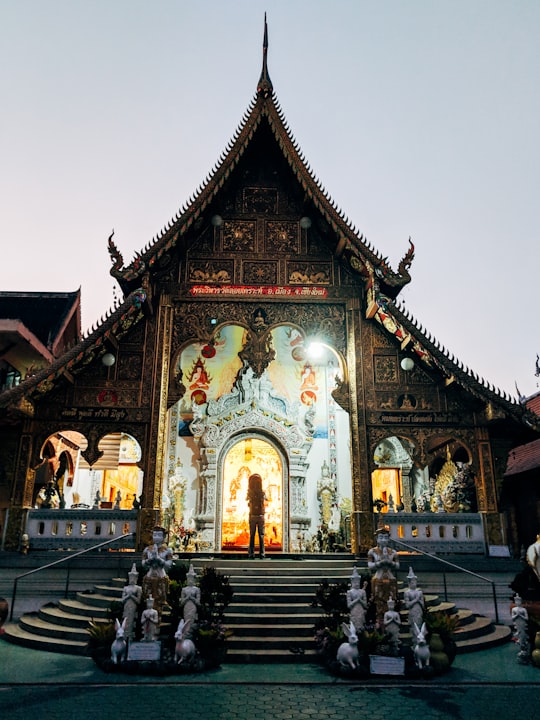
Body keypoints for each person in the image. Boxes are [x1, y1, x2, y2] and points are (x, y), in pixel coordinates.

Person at [367, 524, 400, 625]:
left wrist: (390, 563)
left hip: (390, 578)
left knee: (391, 599)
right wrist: (380, 563)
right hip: (378, 577)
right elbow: (370, 565)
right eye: (381, 537)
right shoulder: (372, 552)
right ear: (377, 539)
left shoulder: (393, 552)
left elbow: (397, 566)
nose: (383, 539)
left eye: (386, 537)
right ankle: (379, 619)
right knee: (378, 599)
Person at [142, 526, 173, 622]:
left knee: (159, 602)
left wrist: (159, 560)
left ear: (163, 537)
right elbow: (143, 564)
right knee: (148, 601)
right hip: (150, 576)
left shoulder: (168, 550)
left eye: (159, 535)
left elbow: (169, 565)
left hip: (161, 577)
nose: (156, 537)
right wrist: (150, 560)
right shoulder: (147, 550)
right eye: (155, 535)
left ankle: (157, 623)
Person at [247, 473, 266, 559]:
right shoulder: (262, 493)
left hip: (253, 515)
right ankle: (262, 553)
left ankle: (251, 553)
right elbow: (267, 499)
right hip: (261, 515)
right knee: (261, 535)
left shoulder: (250, 493)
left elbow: (247, 500)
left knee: (252, 535)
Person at [121, 563, 142, 642]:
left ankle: (130, 637)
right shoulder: (126, 588)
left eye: (134, 578)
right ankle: (124, 636)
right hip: (126, 606)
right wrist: (128, 596)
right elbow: (122, 600)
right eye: (131, 578)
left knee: (131, 621)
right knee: (125, 621)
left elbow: (138, 601)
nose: (132, 579)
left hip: (133, 606)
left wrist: (132, 596)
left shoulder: (138, 588)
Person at [403, 566, 424, 641]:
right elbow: (407, 605)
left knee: (419, 626)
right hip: (412, 611)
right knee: (414, 627)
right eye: (412, 582)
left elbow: (423, 604)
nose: (414, 584)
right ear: (409, 583)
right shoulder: (407, 593)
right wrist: (416, 600)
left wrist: (419, 601)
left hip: (419, 611)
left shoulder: (419, 592)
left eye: (415, 582)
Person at [347, 567, 368, 633]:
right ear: (352, 582)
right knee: (354, 624)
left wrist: (360, 600)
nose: (357, 583)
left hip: (361, 610)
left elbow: (365, 605)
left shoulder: (362, 592)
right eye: (355, 582)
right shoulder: (349, 592)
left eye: (358, 582)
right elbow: (349, 605)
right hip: (354, 610)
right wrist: (356, 600)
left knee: (361, 625)